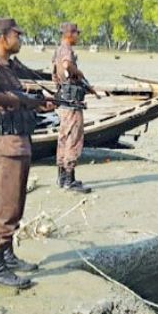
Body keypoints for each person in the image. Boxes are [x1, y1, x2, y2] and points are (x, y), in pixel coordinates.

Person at [0, 17, 56, 288]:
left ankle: (7, 255)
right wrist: (14, 99)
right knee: (4, 208)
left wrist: (37, 104)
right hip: (4, 145)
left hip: (18, 142)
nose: (20, 39)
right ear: (2, 37)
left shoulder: (9, 68)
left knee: (15, 206)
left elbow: (18, 100)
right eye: (16, 35)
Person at [52, 22, 92, 193]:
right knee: (73, 139)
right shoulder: (67, 50)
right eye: (77, 33)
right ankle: (69, 180)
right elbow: (68, 66)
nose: (78, 36)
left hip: (64, 101)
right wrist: (79, 73)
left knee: (63, 137)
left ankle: (62, 178)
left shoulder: (58, 50)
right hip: (72, 103)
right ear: (70, 34)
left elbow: (56, 73)